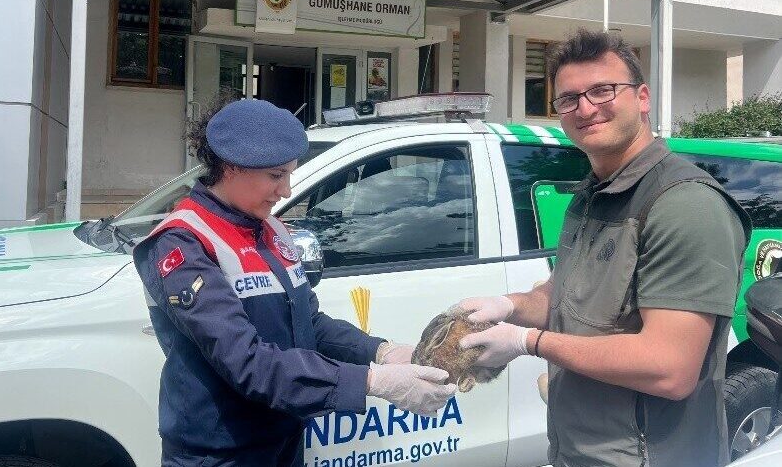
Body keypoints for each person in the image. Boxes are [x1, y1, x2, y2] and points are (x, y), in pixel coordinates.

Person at [454, 30, 751, 467]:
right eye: (569, 98)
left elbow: (669, 367)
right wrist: (508, 306)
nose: (586, 107)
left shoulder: (684, 203)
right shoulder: (593, 194)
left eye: (602, 90)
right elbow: (568, 296)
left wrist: (528, 342)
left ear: (642, 98)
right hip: (578, 452)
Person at [134, 97, 456, 467]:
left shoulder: (268, 228)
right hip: (220, 453)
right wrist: (373, 381)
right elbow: (247, 362)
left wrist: (382, 352)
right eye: (276, 176)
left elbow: (309, 323)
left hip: (284, 439)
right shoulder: (183, 242)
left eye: (289, 174)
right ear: (231, 166)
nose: (286, 191)